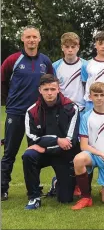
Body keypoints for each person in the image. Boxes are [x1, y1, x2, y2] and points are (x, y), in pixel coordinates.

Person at [1, 26, 53, 201]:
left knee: (36, 151)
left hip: (37, 114)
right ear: (22, 39)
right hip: (15, 113)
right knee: (9, 152)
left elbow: (50, 85)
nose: (31, 40)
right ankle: (2, 189)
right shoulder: (13, 60)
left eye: (35, 37)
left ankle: (35, 186)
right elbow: (2, 82)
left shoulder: (45, 61)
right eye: (28, 37)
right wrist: (8, 101)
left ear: (39, 39)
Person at [22, 74, 79, 209]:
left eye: (53, 89)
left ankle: (56, 184)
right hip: (42, 154)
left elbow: (71, 141)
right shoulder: (32, 111)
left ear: (59, 89)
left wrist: (46, 148)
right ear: (40, 90)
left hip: (63, 154)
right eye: (46, 89)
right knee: (28, 156)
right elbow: (32, 139)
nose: (49, 93)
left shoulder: (71, 108)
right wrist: (57, 140)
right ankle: (34, 197)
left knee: (65, 200)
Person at [70, 82, 104, 210]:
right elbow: (83, 146)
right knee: (78, 159)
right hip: (93, 155)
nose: (99, 98)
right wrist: (102, 154)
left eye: (102, 95)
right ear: (90, 97)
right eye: (96, 95)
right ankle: (86, 197)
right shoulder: (86, 117)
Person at [53, 32, 87, 112]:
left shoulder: (86, 65)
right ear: (62, 47)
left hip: (81, 109)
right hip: (62, 109)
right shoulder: (55, 66)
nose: (70, 50)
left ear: (78, 47)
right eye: (67, 47)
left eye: (73, 47)